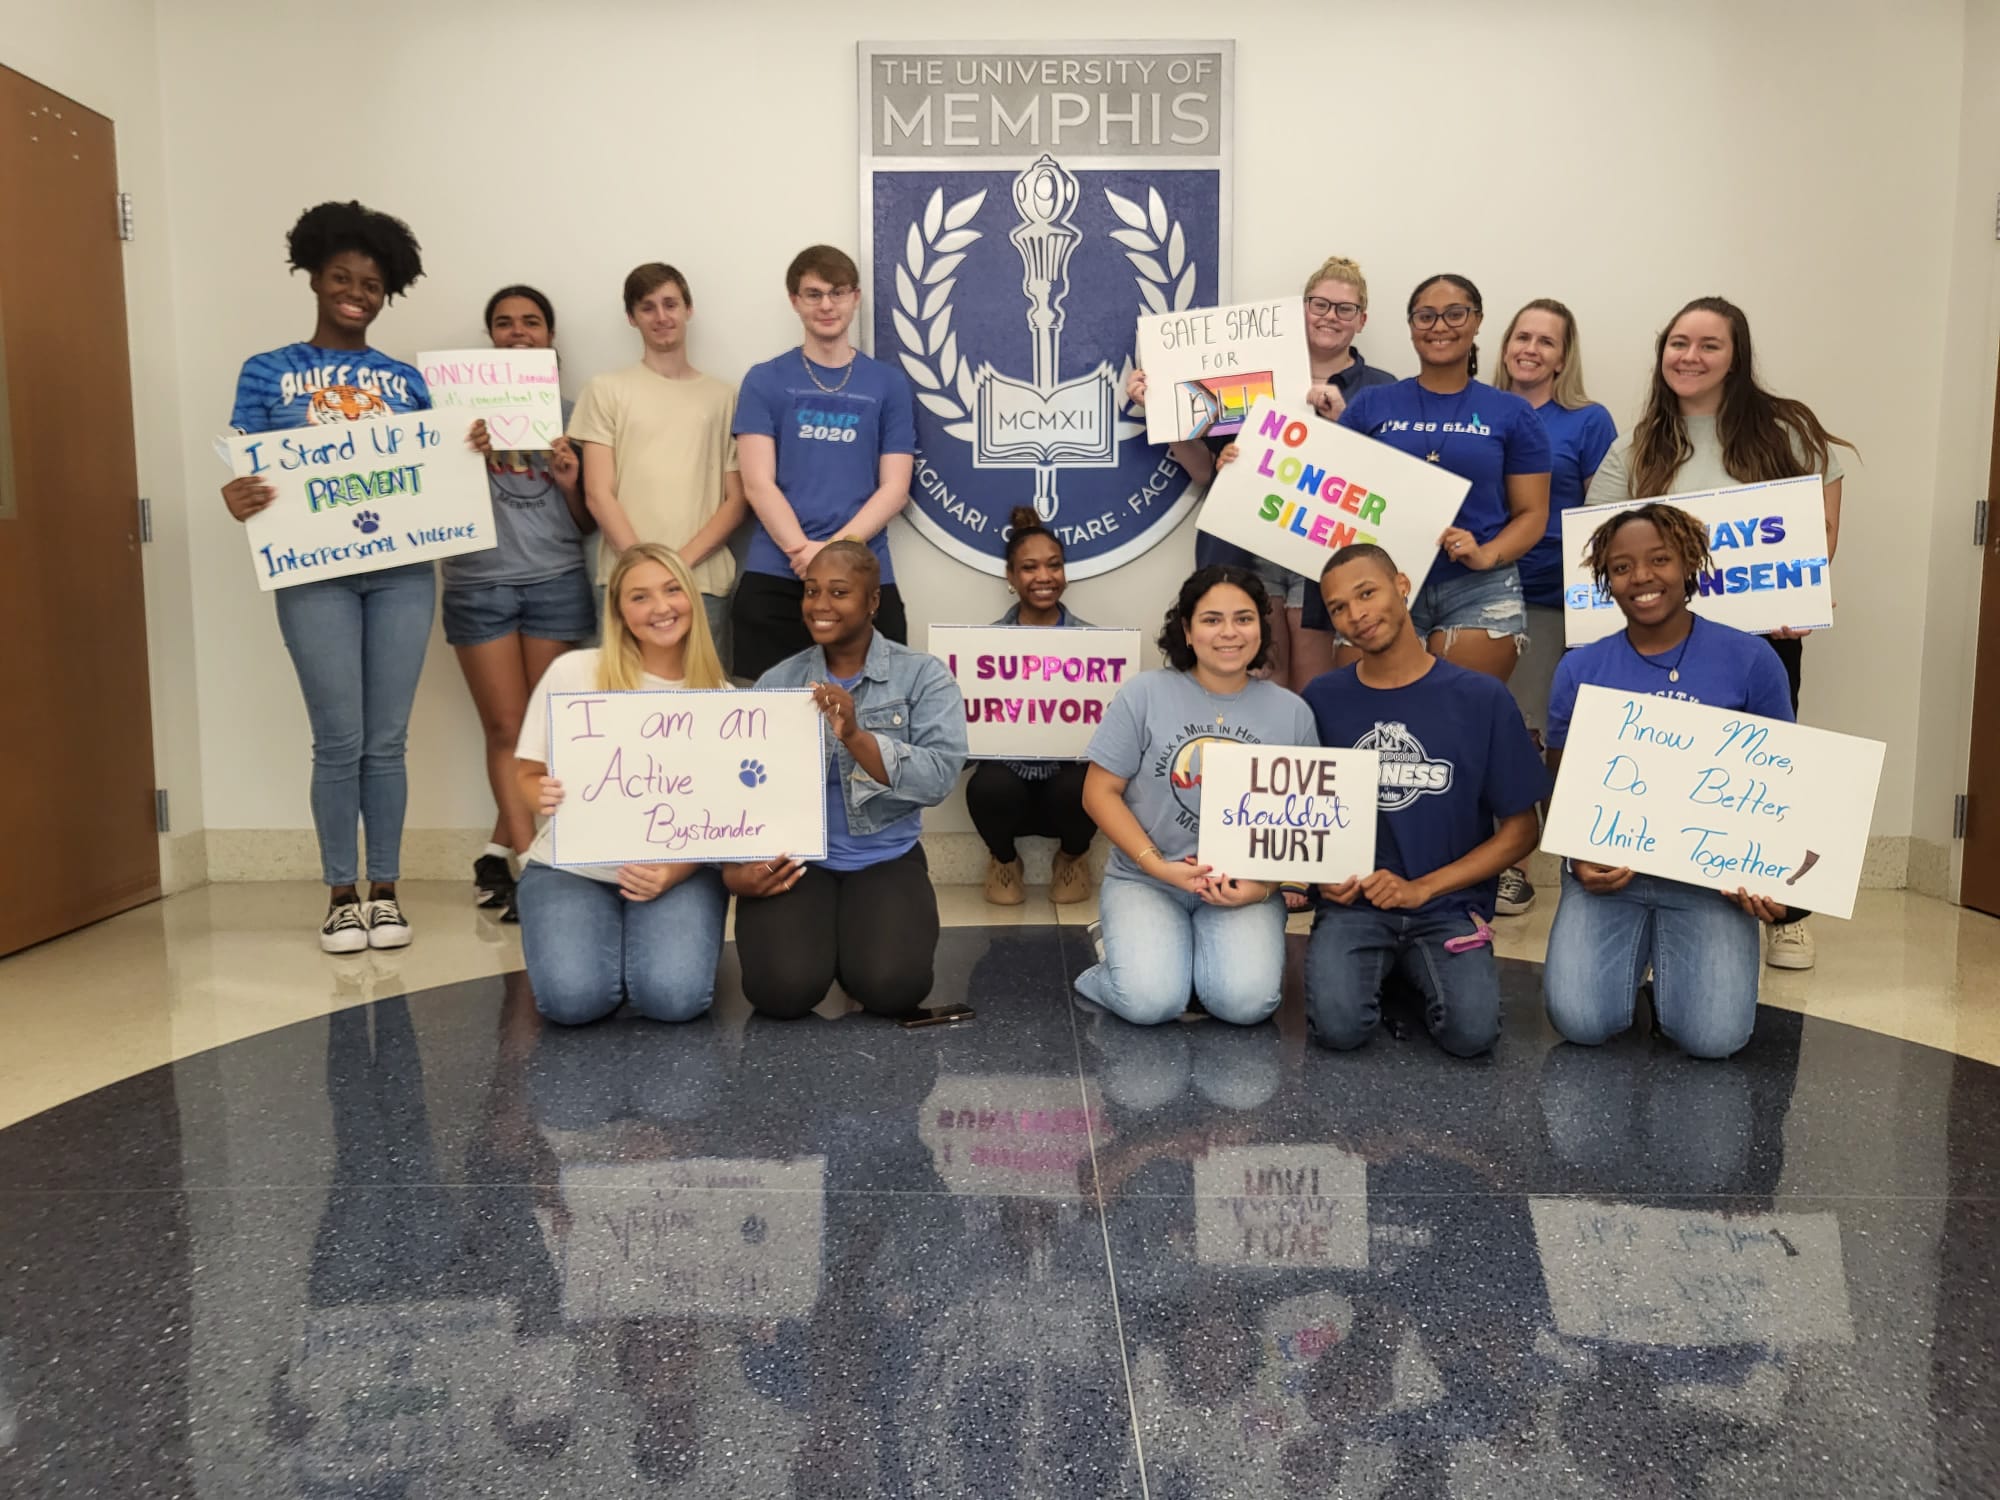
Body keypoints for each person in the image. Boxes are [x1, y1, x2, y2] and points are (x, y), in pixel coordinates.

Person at [221, 200, 485, 954]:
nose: (356, 293)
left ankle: (388, 891)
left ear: (386, 292)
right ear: (313, 278)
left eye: (371, 284)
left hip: (401, 573)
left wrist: (467, 443)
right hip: (314, 577)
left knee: (388, 740)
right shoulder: (266, 373)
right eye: (342, 278)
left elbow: (439, 468)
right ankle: (341, 895)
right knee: (338, 739)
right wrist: (236, 496)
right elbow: (250, 468)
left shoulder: (407, 381)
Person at [1586, 296, 1852, 968]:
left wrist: (1805, 593)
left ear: (1737, 356)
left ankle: (1786, 909)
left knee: (1767, 766)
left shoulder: (1787, 430)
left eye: (1709, 345)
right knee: (1665, 768)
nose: (1691, 357)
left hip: (1763, 638)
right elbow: (1598, 541)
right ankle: (1665, 899)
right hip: (1660, 639)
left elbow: (1818, 533)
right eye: (1679, 343)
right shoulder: (1637, 443)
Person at [1540, 503, 1797, 1058]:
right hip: (1610, 874)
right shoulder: (1578, 669)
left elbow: (1782, 779)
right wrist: (1575, 857)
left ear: (1689, 564)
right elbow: (1564, 784)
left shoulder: (1752, 660)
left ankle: (1674, 980)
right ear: (1607, 580)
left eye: (1659, 559)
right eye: (1623, 566)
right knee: (1580, 1021)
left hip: (1710, 882)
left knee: (1714, 1040)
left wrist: (1772, 878)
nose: (1642, 578)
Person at [1301, 544, 1547, 1058]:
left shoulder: (1481, 698)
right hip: (1355, 906)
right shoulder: (1321, 700)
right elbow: (1298, 815)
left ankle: (1409, 970)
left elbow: (1522, 830)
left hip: (1449, 905)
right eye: (1340, 607)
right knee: (1339, 1030)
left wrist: (1421, 889)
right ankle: (1387, 969)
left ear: (1403, 586)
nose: (1358, 615)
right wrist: (1319, 875)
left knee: (1472, 1036)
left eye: (1367, 593)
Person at [1126, 255, 1397, 693]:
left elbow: (1389, 485)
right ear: (1300, 309)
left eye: (1345, 309)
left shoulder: (1384, 390)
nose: (1331, 317)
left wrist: (1342, 423)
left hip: (1324, 553)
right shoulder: (1244, 370)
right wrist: (1159, 408)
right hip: (1245, 549)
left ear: (1362, 320)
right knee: (1259, 683)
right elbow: (1201, 470)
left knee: (1314, 688)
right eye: (1320, 305)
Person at [727, 541, 966, 1019]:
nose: (819, 605)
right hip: (798, 861)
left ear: (873, 601)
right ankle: (825, 950)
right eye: (811, 591)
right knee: (781, 992)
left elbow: (939, 777)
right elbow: (740, 792)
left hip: (885, 856)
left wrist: (856, 736)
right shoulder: (778, 681)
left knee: (893, 988)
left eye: (838, 592)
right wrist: (733, 869)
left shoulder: (923, 677)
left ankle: (854, 954)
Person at [1072, 565, 1317, 1027]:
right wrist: (1154, 864)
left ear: (1262, 627)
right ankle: (1114, 961)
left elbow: (1306, 822)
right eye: (1211, 620)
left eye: (1244, 619)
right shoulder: (1143, 694)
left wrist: (1263, 888)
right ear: (1186, 629)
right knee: (1149, 1002)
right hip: (1148, 879)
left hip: (1243, 888)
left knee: (1245, 1005)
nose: (1229, 632)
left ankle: (1179, 967)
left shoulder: (1292, 713)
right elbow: (1098, 792)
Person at [511, 543, 731, 1025]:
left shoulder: (722, 701)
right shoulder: (574, 672)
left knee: (674, 1000)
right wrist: (538, 792)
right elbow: (525, 774)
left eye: (673, 590)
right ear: (618, 612)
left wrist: (673, 872)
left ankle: (643, 950)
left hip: (678, 872)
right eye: (639, 597)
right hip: (571, 868)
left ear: (692, 597)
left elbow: (726, 819)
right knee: (572, 1003)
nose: (660, 608)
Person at [1299, 273, 1553, 689]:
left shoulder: (1512, 413)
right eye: (1426, 316)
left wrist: (1486, 554)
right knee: (1378, 723)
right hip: (1379, 586)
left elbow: (1532, 513)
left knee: (1460, 721)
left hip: (1478, 588)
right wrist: (1248, 460)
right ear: (1411, 325)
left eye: (1455, 314)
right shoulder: (1371, 404)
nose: (1439, 326)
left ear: (1478, 320)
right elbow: (1323, 484)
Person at [444, 285, 595, 921]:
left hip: (556, 580)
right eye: (504, 324)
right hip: (479, 585)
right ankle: (527, 862)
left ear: (550, 338)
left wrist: (568, 481)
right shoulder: (452, 422)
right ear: (490, 338)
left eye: (531, 322)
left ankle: (504, 852)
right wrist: (456, 457)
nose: (518, 332)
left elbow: (586, 523)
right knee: (506, 729)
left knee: (554, 733)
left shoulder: (573, 416)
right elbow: (431, 511)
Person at [730, 246, 917, 682]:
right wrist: (806, 554)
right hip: (776, 575)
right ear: (794, 301)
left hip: (865, 574)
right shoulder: (764, 380)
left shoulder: (887, 384)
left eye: (837, 293)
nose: (826, 305)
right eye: (813, 294)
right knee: (769, 724)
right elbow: (757, 483)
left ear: (855, 298)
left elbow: (895, 487)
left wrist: (833, 555)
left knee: (877, 716)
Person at [1487, 297, 1618, 916]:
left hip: (1556, 599)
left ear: (1565, 356)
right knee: (1500, 730)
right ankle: (1504, 859)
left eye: (1546, 341)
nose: (1531, 350)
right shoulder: (1477, 409)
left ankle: (1549, 860)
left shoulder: (1588, 422)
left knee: (1550, 732)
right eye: (1522, 336)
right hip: (1480, 592)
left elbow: (1608, 517)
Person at [567, 263, 746, 661]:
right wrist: (647, 575)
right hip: (626, 583)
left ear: (689, 309)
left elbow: (737, 500)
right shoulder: (605, 390)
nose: (662, 317)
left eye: (671, 304)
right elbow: (598, 493)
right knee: (622, 708)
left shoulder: (725, 396)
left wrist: (676, 568)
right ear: (631, 318)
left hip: (702, 581)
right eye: (648, 308)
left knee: (705, 712)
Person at [970, 507, 1100, 907]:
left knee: (1087, 786)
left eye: (1054, 566)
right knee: (986, 785)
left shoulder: (1096, 643)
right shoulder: (983, 645)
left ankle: (1073, 857)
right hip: (1008, 783)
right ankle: (1004, 860)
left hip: (1066, 783)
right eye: (1029, 568)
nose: (1044, 577)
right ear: (1011, 578)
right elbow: (964, 740)